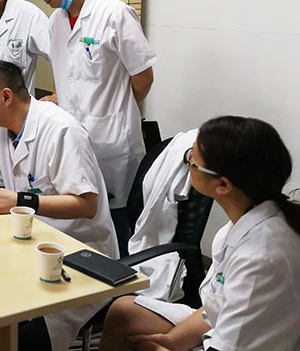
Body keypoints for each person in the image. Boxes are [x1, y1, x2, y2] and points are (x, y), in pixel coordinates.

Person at [0, 60, 118, 351]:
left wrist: (20, 200)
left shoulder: (62, 130)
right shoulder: (0, 127)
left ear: (5, 97)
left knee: (24, 336)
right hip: (27, 244)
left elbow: (86, 204)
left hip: (76, 253)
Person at [99, 116, 300, 351]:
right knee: (124, 312)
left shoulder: (259, 258)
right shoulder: (245, 222)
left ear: (223, 185)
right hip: (226, 329)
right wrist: (173, 341)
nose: (187, 164)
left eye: (191, 160)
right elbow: (216, 307)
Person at [30, 0, 156, 242]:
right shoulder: (56, 21)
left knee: (115, 224)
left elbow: (143, 77)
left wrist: (117, 112)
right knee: (77, 221)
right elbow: (65, 72)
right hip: (72, 140)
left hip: (111, 144)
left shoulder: (115, 14)